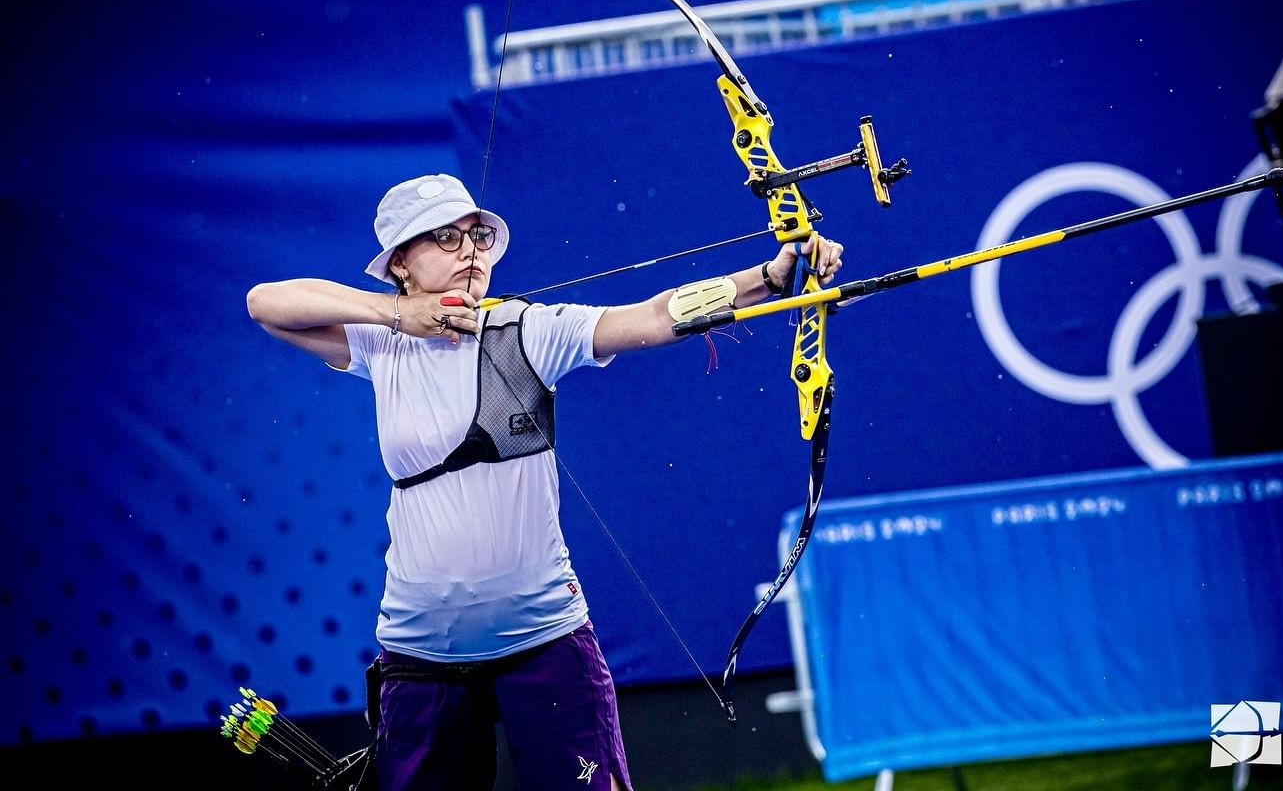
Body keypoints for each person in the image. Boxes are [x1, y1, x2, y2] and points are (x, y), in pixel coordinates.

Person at [246, 173, 842, 790]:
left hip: (545, 640)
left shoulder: (528, 330)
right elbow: (265, 304)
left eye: (475, 236)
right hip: (422, 654)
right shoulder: (380, 346)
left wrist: (769, 278)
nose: (469, 251)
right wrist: (400, 315)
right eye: (445, 239)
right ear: (401, 263)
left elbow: (652, 316)